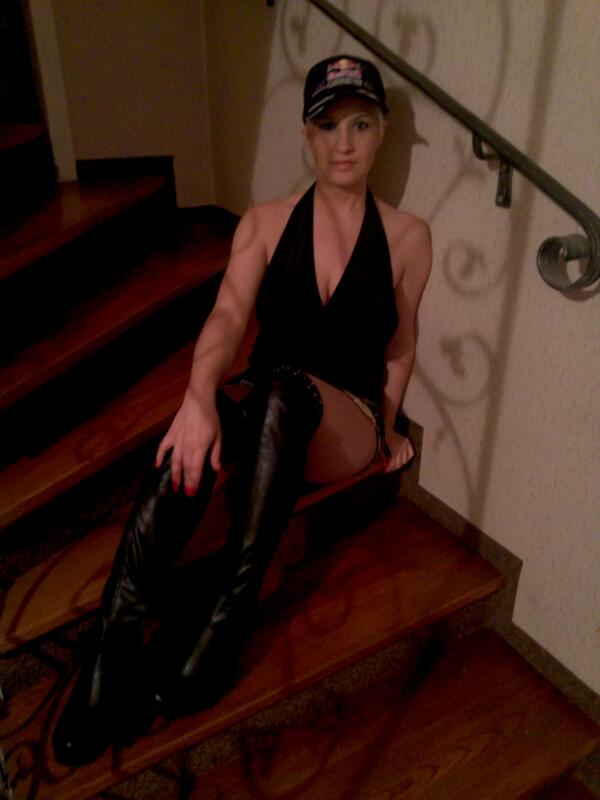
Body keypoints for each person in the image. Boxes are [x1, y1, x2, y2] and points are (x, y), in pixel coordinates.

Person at [52, 54, 432, 766]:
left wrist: (386, 426)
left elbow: (400, 346)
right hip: (267, 403)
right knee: (198, 429)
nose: (343, 142)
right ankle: (114, 633)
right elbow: (227, 318)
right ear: (307, 136)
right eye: (327, 125)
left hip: (343, 421)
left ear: (381, 132)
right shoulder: (264, 222)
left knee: (281, 390)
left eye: (360, 124)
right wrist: (197, 398)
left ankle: (230, 609)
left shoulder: (409, 236)